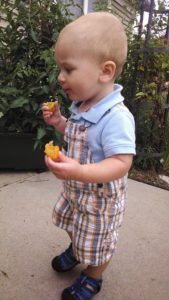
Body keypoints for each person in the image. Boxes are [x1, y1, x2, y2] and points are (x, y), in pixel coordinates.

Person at [42, 11, 136, 300]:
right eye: (60, 69)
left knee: (99, 242)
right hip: (76, 192)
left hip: (99, 201)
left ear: (105, 71)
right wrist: (60, 123)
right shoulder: (81, 105)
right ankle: (76, 248)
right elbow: (78, 134)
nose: (60, 77)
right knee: (70, 222)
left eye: (68, 69)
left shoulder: (116, 116)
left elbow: (121, 163)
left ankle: (93, 276)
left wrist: (80, 171)